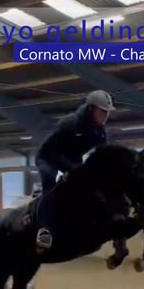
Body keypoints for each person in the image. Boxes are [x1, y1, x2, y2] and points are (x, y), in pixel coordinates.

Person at [33, 90, 115, 250]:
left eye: (107, 112)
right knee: (50, 188)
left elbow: (103, 154)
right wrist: (70, 169)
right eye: (102, 111)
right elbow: (53, 151)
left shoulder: (99, 131)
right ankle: (44, 231)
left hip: (71, 159)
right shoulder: (70, 123)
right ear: (91, 109)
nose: (106, 116)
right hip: (48, 157)